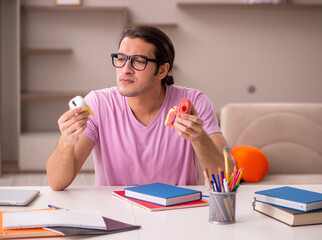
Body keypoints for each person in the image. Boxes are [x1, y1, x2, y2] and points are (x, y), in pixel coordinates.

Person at [46, 26, 230, 191]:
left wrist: (199, 138)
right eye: (120, 59)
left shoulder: (193, 102)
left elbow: (226, 179)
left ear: (162, 71)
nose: (125, 69)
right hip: (115, 212)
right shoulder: (98, 104)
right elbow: (57, 183)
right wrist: (66, 141)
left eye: (138, 61)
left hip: (177, 212)